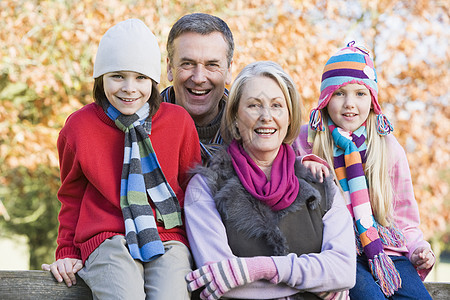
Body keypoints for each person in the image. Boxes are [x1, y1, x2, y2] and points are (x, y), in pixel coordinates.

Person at [41, 19, 201, 299]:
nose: (129, 88)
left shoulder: (179, 122)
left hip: (168, 237)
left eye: (140, 78)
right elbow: (71, 196)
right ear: (100, 77)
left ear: (153, 80)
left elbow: (193, 191)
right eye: (117, 76)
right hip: (106, 238)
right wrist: (66, 251)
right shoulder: (78, 127)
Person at [184, 61, 356, 300]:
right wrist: (317, 281)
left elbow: (345, 270)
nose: (266, 117)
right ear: (234, 117)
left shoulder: (321, 183)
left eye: (277, 106)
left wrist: (263, 268)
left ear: (289, 117)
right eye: (254, 106)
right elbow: (219, 280)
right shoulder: (205, 188)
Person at [294, 41, 435, 299]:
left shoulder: (387, 146)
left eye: (360, 93)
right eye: (339, 93)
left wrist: (417, 249)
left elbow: (405, 218)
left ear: (372, 100)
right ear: (325, 98)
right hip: (339, 251)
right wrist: (303, 166)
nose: (350, 103)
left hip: (387, 250)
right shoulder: (307, 140)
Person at [161, 13, 234, 163]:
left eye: (212, 65)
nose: (199, 78)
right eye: (187, 64)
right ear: (169, 68)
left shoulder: (254, 132)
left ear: (229, 70)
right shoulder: (138, 129)